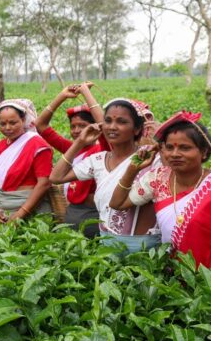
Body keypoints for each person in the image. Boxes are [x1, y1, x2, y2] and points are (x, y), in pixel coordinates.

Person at [109, 111, 211, 277]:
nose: (175, 154)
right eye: (169, 147)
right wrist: (133, 169)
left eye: (185, 148)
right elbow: (117, 204)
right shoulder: (157, 179)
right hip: (179, 272)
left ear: (204, 153)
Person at [50, 97, 160, 252]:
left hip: (143, 246)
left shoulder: (150, 158)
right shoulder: (98, 160)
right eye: (107, 121)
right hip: (107, 244)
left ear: (136, 129)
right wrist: (79, 142)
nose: (112, 127)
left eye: (121, 122)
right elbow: (56, 177)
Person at [36, 84, 106, 238]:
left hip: (93, 215)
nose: (76, 131)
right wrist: (62, 96)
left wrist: (86, 93)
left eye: (82, 126)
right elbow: (41, 126)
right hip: (73, 214)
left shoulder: (102, 150)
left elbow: (105, 127)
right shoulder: (73, 149)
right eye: (73, 126)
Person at [0, 99, 53, 222]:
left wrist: (20, 214)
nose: (7, 128)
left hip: (31, 211)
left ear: (23, 120)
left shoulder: (38, 145)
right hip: (2, 211)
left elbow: (44, 183)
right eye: (2, 124)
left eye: (13, 122)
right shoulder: (0, 145)